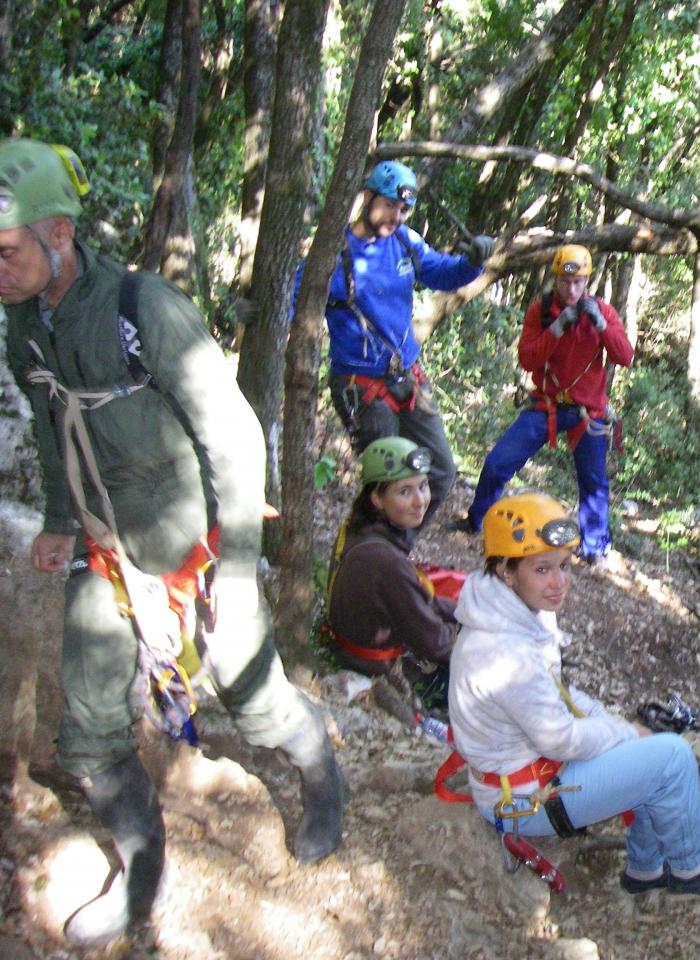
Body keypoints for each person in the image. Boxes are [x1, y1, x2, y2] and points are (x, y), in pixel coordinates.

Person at [0, 138, 346, 947]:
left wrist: (232, 568)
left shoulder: (139, 307)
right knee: (87, 728)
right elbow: (57, 430)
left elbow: (233, 434)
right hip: (104, 545)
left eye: (7, 251)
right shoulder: (24, 323)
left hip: (192, 541)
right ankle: (142, 871)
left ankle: (322, 773)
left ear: (58, 235)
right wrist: (59, 520)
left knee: (251, 695)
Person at [446, 491, 700, 903]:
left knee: (653, 755)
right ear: (506, 570)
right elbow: (560, 738)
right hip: (521, 798)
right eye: (542, 569)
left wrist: (609, 722)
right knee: (673, 757)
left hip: (525, 774)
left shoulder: (511, 612)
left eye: (563, 566)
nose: (559, 582)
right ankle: (688, 869)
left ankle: (646, 871)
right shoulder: (505, 650)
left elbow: (555, 688)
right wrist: (624, 732)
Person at [316, 159, 495, 522]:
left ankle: (398, 549)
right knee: (389, 484)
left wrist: (473, 261)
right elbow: (295, 298)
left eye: (402, 209)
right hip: (361, 385)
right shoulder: (335, 253)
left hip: (406, 377)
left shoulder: (404, 241)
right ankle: (366, 557)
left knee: (440, 472)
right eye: (389, 206)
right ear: (367, 197)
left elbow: (443, 273)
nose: (395, 216)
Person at [461, 245, 633, 562]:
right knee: (498, 462)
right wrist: (556, 329)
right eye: (566, 282)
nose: (572, 289)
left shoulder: (602, 312)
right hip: (546, 406)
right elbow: (528, 360)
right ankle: (478, 521)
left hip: (587, 411)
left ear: (587, 281)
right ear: (555, 279)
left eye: (578, 282)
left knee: (594, 482)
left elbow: (625, 356)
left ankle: (594, 546)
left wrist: (601, 326)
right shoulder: (540, 312)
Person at [324, 436, 456, 688]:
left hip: (350, 645)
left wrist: (463, 610)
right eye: (404, 491)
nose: (420, 501)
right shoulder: (384, 561)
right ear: (377, 498)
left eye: (423, 486)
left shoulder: (358, 525)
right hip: (372, 667)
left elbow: (414, 600)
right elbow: (436, 644)